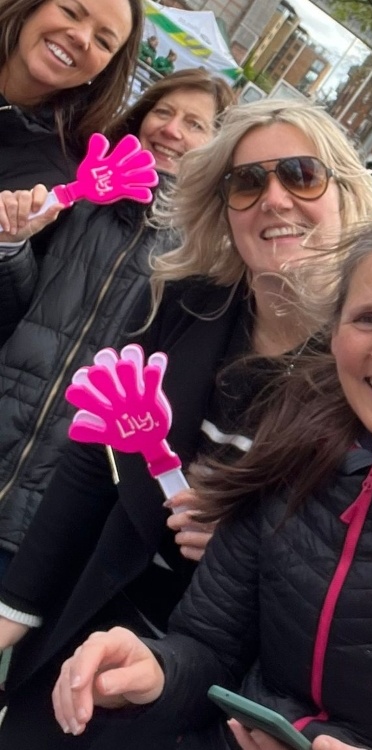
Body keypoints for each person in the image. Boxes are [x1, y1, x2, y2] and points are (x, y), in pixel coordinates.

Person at [49, 211, 372, 750]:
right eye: (367, 318)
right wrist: (156, 671)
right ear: (333, 335)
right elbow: (209, 646)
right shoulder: (295, 448)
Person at [0, 99, 372, 748]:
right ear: (223, 205)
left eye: (301, 174)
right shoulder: (184, 304)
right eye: (246, 181)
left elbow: (364, 563)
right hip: (96, 617)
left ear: (346, 195)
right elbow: (96, 461)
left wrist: (249, 542)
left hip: (229, 688)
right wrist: (14, 611)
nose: (274, 197)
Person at [0, 69, 236, 580]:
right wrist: (12, 244)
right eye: (164, 112)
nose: (171, 130)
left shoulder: (210, 257)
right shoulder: (80, 196)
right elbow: (18, 303)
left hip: (57, 501)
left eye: (195, 124)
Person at [0, 0, 144, 191]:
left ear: (105, 71)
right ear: (32, 8)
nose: (81, 37)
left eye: (103, 41)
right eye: (70, 12)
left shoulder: (56, 180)